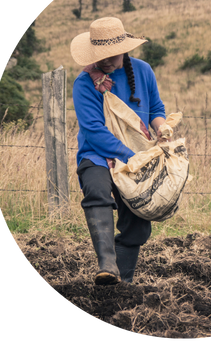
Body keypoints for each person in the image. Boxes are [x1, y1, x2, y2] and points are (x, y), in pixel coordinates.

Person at [70, 17, 170, 285]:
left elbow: (156, 110)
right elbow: (93, 131)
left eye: (110, 54)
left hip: (137, 154)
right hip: (97, 155)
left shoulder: (143, 71)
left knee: (136, 217)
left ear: (125, 49)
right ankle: (107, 265)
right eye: (98, 55)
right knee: (97, 191)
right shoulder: (84, 84)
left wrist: (162, 129)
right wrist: (132, 157)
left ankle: (122, 284)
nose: (104, 60)